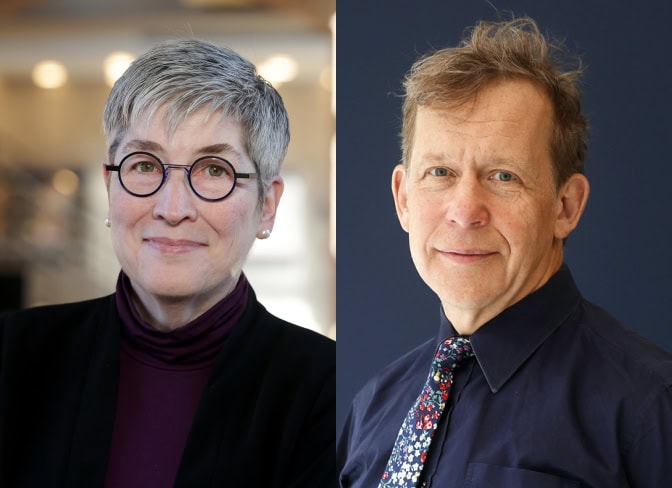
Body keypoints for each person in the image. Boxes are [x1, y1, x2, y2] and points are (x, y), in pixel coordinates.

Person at [337, 16, 672, 487]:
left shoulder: (648, 409)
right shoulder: (373, 405)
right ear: (404, 199)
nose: (466, 211)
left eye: (503, 176)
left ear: (566, 206)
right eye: (440, 173)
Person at [0, 39, 335, 487]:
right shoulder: (10, 355)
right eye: (144, 165)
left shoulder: (327, 388)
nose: (172, 207)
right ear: (110, 186)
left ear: (267, 206)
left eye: (214, 169)